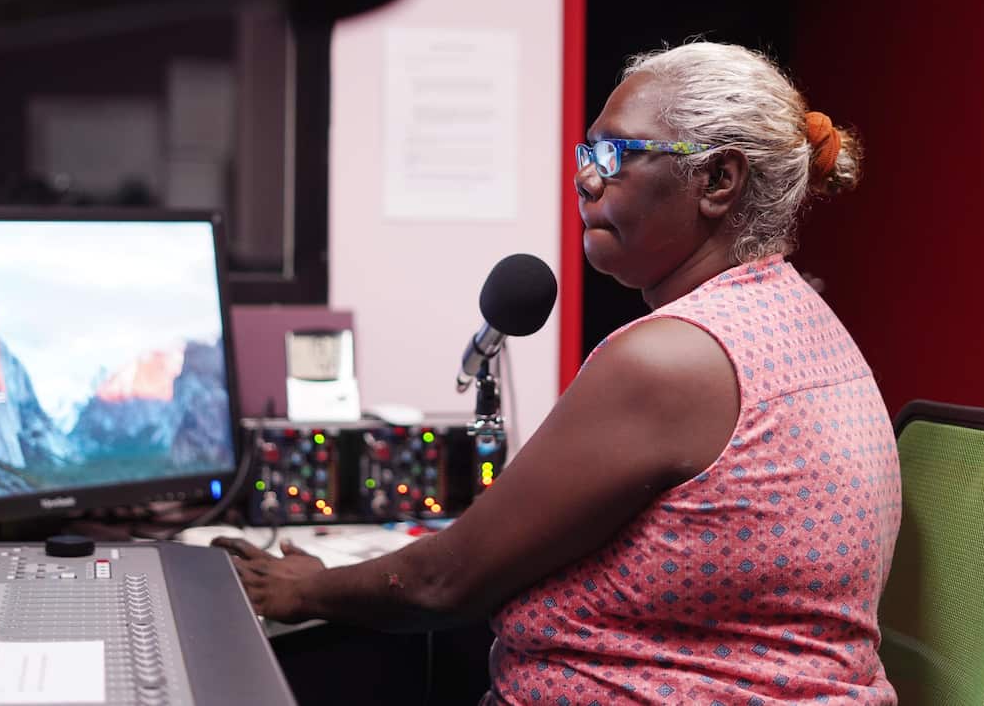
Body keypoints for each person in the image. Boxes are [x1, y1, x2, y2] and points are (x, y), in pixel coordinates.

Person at [214, 41, 902, 705]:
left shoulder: (673, 359)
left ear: (718, 181)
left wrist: (302, 588)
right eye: (587, 152)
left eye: (616, 154)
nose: (587, 178)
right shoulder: (804, 319)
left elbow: (441, 583)